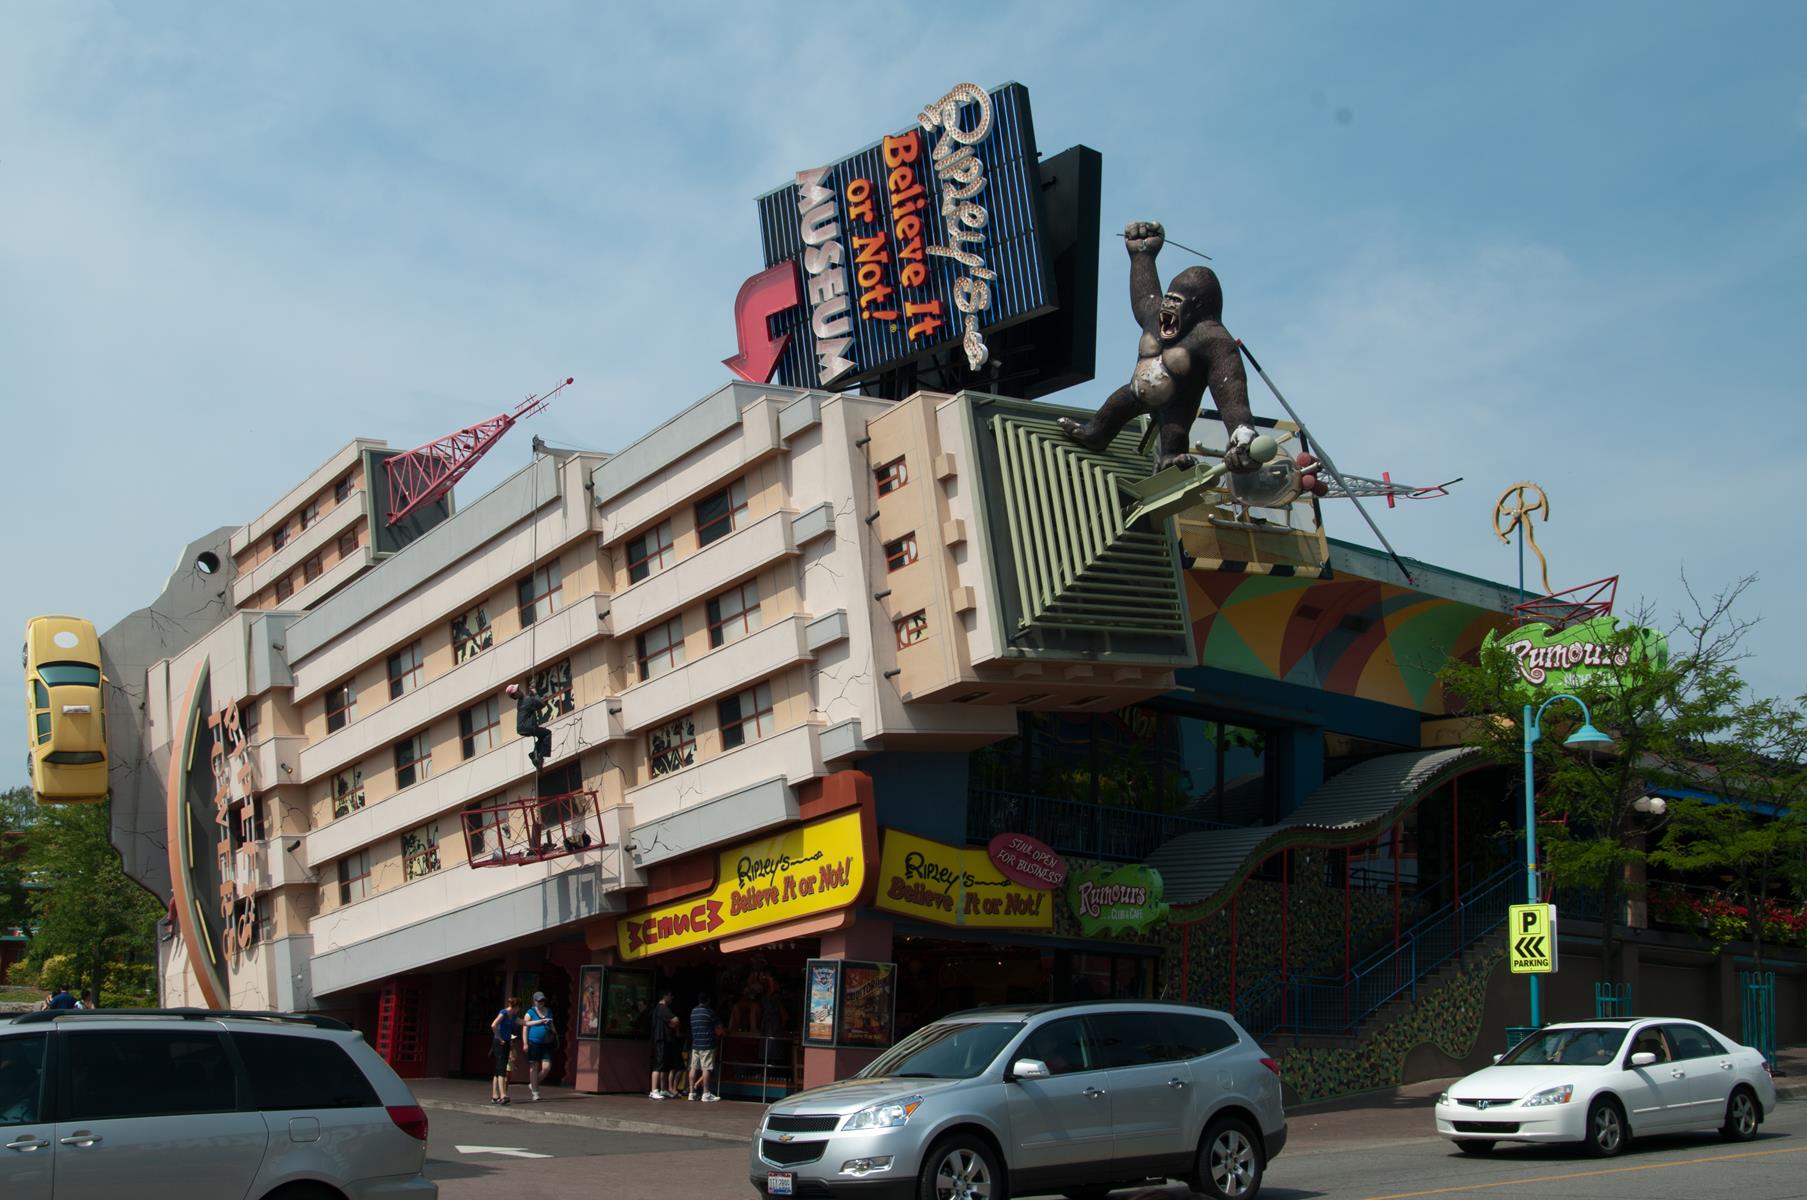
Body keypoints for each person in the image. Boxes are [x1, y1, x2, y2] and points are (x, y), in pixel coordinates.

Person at [506, 682, 552, 768]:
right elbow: (540, 704)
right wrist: (535, 693)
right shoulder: (526, 700)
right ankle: (540, 755)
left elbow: (533, 704)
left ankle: (534, 753)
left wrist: (537, 697)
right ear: (515, 695)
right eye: (517, 690)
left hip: (521, 729)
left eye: (518, 689)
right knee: (547, 733)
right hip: (528, 727)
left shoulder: (520, 702)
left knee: (541, 736)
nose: (520, 690)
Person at [521, 990, 557, 1101]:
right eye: (539, 1001)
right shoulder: (530, 1012)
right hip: (534, 1042)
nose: (541, 1003)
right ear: (535, 1001)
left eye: (542, 1001)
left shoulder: (548, 1011)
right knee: (534, 1067)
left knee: (546, 1067)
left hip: (546, 1042)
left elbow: (552, 1024)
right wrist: (525, 1043)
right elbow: (525, 1027)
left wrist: (555, 1034)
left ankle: (533, 1083)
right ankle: (535, 1092)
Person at [687, 992, 723, 1102]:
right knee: (706, 1068)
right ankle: (706, 1093)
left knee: (693, 1068)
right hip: (707, 1044)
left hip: (696, 1044)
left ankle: (691, 1093)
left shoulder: (693, 1012)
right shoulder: (709, 1012)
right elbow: (719, 1030)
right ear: (708, 1001)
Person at [648, 988, 681, 1099]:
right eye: (670, 995)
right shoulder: (663, 1008)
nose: (672, 998)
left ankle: (663, 1089)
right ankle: (654, 1090)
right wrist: (674, 1024)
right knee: (658, 1065)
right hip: (661, 1039)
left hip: (664, 1040)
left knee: (664, 1066)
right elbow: (675, 1020)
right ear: (665, 996)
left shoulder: (657, 1009)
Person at [489, 997, 520, 1105]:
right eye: (518, 1008)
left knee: (498, 1070)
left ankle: (495, 1096)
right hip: (499, 1043)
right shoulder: (503, 1013)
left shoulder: (513, 1016)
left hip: (506, 1043)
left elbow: (525, 1022)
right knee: (502, 1068)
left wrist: (539, 1022)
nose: (518, 1010)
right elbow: (493, 1025)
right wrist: (500, 1038)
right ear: (516, 1007)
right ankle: (503, 1095)